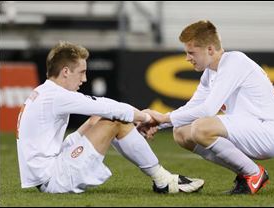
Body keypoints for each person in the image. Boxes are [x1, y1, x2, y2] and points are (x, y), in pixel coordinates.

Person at [16, 41, 204, 194]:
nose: (84, 79)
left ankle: (162, 179)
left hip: (48, 171)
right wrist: (147, 117)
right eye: (81, 72)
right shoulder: (57, 96)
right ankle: (164, 180)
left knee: (100, 117)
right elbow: (109, 107)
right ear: (65, 71)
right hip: (55, 178)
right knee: (115, 120)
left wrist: (137, 116)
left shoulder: (43, 91)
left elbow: (101, 108)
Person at [142, 20, 274, 195]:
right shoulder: (210, 72)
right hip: (249, 127)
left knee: (200, 128)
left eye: (191, 52)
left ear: (210, 49)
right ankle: (247, 173)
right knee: (181, 132)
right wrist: (157, 123)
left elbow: (207, 111)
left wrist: (163, 118)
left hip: (269, 132)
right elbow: (192, 107)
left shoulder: (234, 62)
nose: (187, 58)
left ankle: (254, 174)